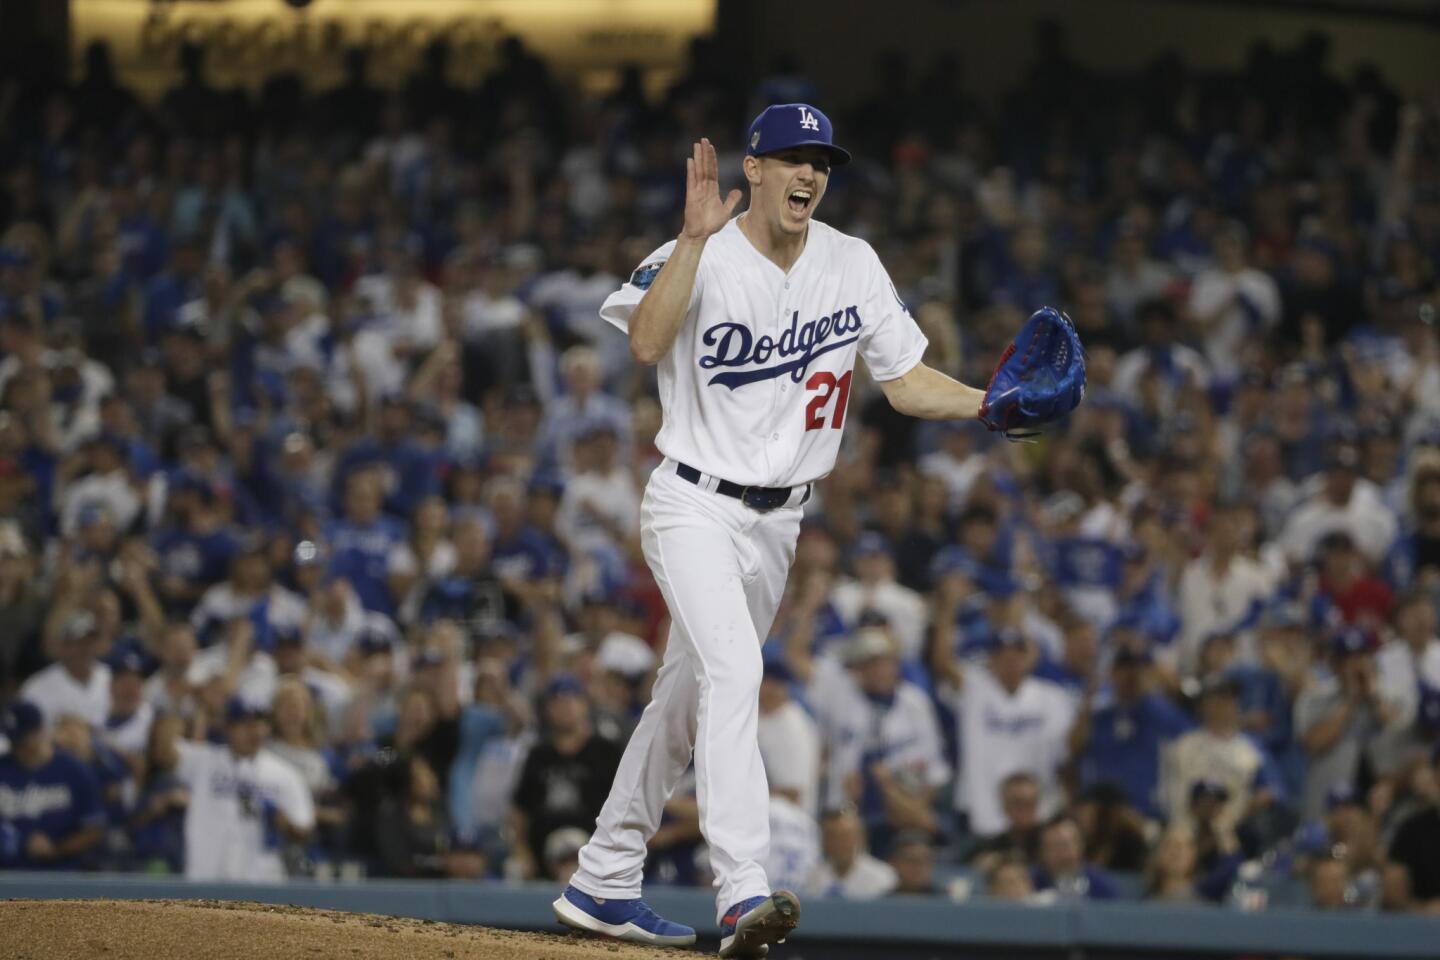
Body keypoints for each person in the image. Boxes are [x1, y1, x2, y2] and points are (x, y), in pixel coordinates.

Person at [558, 104, 1010, 958]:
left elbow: (907, 381)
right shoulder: (704, 249)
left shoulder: (852, 261)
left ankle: (605, 876)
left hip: (780, 524)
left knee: (686, 701)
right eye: (792, 158)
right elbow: (647, 343)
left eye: (822, 162)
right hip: (692, 501)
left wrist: (988, 404)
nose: (809, 174)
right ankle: (743, 890)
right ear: (754, 170)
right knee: (736, 670)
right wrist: (690, 242)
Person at [169, 697, 316, 881]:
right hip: (206, 877)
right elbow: (163, 749)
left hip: (262, 882)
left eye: (259, 724)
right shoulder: (204, 761)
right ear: (228, 728)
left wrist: (286, 824)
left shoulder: (284, 774)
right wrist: (199, 712)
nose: (254, 731)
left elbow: (305, 828)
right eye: (245, 724)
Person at [0, 701, 105, 870]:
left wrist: (55, 850)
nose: (17, 747)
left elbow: (94, 829)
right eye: (13, 741)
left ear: (42, 731)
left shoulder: (74, 770)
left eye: (23, 740)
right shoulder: (3, 769)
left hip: (63, 874)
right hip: (7, 874)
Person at [807, 806, 898, 900]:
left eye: (845, 836)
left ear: (861, 838)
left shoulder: (883, 877)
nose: (839, 843)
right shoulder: (812, 878)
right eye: (832, 836)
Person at [1030, 813, 1120, 900]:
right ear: (1042, 853)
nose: (1063, 855)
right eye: (1054, 847)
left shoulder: (1103, 887)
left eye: (1067, 845)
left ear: (1081, 846)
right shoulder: (1030, 884)